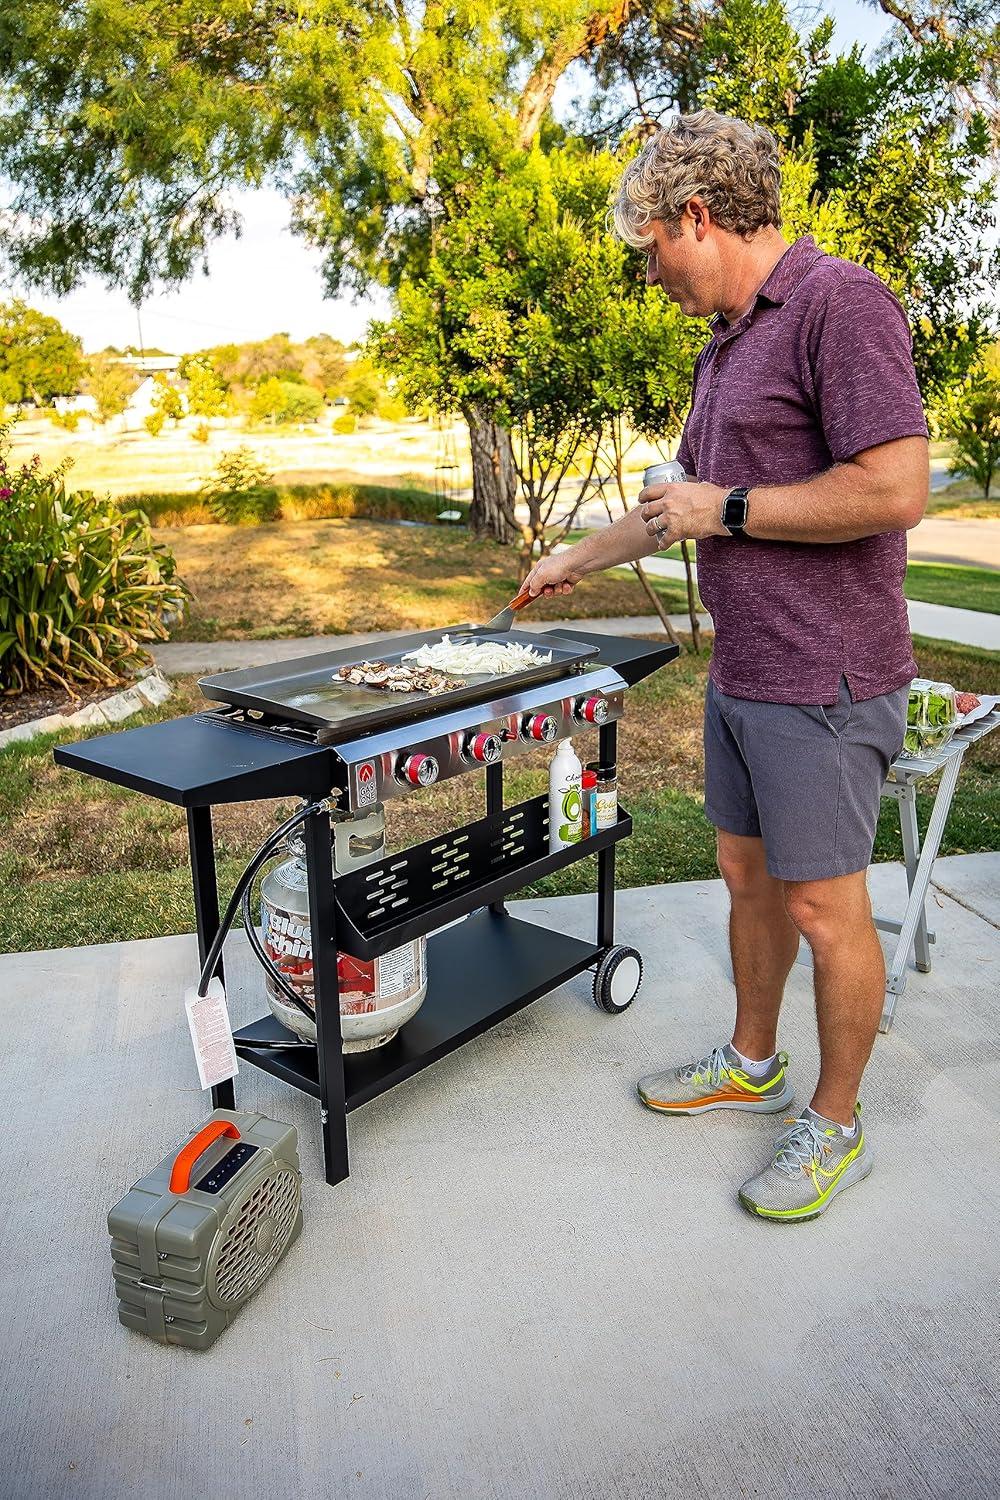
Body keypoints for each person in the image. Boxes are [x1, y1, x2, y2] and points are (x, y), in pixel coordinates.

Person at [521, 109, 929, 1223]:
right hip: (745, 672)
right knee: (748, 882)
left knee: (823, 911)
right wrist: (574, 559)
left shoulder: (839, 305)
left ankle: (836, 1126)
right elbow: (676, 515)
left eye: (648, 242)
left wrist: (730, 507)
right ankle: (754, 1062)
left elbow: (894, 488)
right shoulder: (728, 344)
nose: (646, 268)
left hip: (826, 678)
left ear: (695, 216)